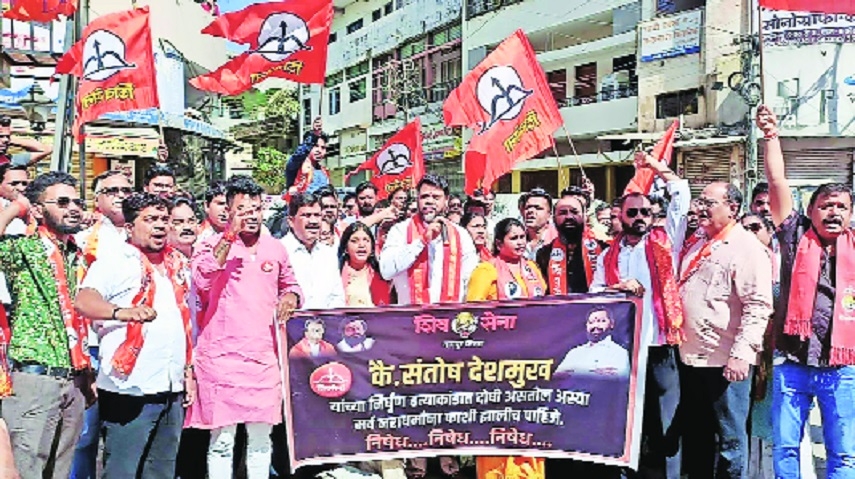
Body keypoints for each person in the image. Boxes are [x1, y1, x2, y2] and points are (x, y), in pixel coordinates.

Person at [757, 104, 855, 479]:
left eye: (842, 207)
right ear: (810, 210)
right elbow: (777, 180)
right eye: (826, 205)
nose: (834, 213)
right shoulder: (794, 235)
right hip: (792, 365)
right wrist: (770, 136)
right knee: (785, 449)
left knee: (844, 455)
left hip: (841, 369)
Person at [188, 176, 302, 479]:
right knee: (223, 442)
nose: (251, 215)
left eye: (256, 209)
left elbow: (290, 283)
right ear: (228, 210)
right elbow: (202, 281)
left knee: (261, 441)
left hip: (263, 359)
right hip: (221, 359)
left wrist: (290, 296)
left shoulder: (275, 247)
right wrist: (229, 236)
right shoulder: (209, 244)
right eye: (243, 209)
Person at [74, 193, 193, 478]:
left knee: (161, 471)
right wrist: (120, 313)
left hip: (170, 386)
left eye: (164, 220)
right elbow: (84, 300)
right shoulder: (116, 260)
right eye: (150, 220)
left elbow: (185, 322)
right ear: (129, 227)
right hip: (129, 387)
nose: (160, 226)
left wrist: (188, 371)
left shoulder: (177, 262)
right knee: (122, 471)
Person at [590, 151, 691, 479]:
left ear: (652, 215)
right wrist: (619, 287)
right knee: (627, 423)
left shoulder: (666, 243)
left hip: (660, 346)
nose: (639, 217)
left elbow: (681, 195)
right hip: (623, 350)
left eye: (645, 212)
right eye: (632, 212)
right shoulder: (608, 255)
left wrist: (657, 167)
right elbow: (594, 296)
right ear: (620, 216)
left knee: (666, 425)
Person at [0, 171, 92, 478]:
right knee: (28, 470)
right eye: (62, 202)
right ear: (39, 210)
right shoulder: (23, 249)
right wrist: (17, 206)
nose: (74, 208)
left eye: (77, 201)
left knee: (61, 472)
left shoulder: (78, 254)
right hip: (35, 376)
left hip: (74, 377)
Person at [678, 182, 773, 479]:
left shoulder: (747, 248)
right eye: (699, 201)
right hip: (691, 360)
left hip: (725, 363)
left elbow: (758, 305)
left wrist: (741, 355)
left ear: (733, 208)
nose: (700, 208)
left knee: (730, 442)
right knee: (697, 437)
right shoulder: (697, 243)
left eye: (709, 202)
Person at [71, 169, 133, 479]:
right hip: (93, 347)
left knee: (125, 435)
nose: (121, 195)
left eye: (126, 189)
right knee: (85, 436)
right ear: (97, 199)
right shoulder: (83, 241)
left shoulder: (147, 236)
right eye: (112, 190)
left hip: (136, 348)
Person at [379, 174, 478, 305]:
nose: (430, 201)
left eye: (436, 197)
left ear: (446, 200)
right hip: (411, 319)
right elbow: (386, 271)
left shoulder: (461, 234)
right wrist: (421, 242)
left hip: (449, 317)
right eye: (425, 196)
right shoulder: (400, 231)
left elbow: (469, 280)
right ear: (417, 199)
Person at [282, 193, 346, 310]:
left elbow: (337, 297)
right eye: (306, 215)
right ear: (291, 221)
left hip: (325, 325)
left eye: (317, 215)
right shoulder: (280, 251)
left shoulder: (328, 254)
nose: (313, 221)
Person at [536, 188, 601, 295]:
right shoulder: (543, 254)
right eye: (562, 213)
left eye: (574, 212)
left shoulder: (602, 250)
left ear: (585, 216)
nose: (569, 217)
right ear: (553, 218)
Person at [467, 218, 546, 301]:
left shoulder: (532, 267)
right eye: (514, 238)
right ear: (499, 243)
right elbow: (474, 306)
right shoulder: (486, 269)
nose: (520, 242)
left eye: (522, 237)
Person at [554, 307, 630, 377]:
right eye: (591, 322)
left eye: (601, 321)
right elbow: (558, 377)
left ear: (611, 324)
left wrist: (575, 371)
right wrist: (597, 372)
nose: (595, 326)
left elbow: (619, 379)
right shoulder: (575, 352)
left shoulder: (619, 353)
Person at [339, 222, 391, 307]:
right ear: (346, 248)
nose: (362, 245)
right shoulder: (336, 273)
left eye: (366, 240)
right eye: (354, 241)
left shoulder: (382, 273)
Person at [284, 117, 330, 197]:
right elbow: (299, 154)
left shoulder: (324, 172)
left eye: (323, 148)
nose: (319, 150)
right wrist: (314, 136)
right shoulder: (295, 165)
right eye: (315, 146)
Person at [519, 188, 556, 260]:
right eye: (528, 207)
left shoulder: (558, 241)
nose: (530, 211)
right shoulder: (516, 241)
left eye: (538, 208)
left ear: (550, 215)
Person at [198, 180, 228, 244]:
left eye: (230, 204)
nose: (226, 208)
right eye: (221, 204)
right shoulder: (197, 237)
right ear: (207, 206)